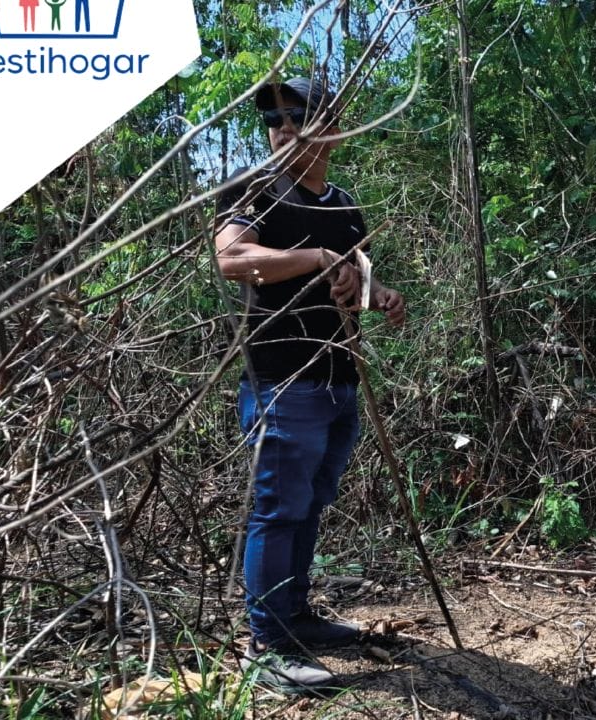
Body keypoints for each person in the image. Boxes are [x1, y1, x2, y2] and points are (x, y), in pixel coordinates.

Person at [214, 76, 406, 691]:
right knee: (276, 509)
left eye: (297, 114)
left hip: (338, 380)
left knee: (311, 503)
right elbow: (233, 259)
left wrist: (382, 297)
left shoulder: (345, 206)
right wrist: (317, 260)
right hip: (281, 379)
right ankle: (266, 647)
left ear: (334, 126)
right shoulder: (256, 190)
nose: (282, 127)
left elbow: (361, 284)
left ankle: (295, 617)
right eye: (273, 118)